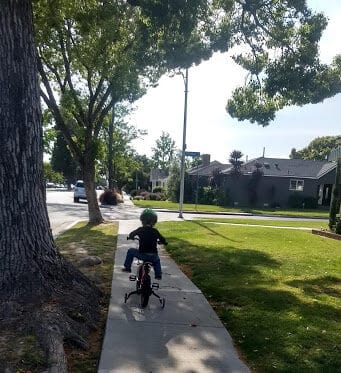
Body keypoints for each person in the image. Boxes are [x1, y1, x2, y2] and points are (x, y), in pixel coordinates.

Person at [122, 208, 167, 280]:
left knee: (130, 251)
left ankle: (127, 268)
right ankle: (158, 275)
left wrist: (131, 237)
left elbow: (131, 234)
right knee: (157, 260)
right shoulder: (155, 231)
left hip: (142, 254)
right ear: (154, 222)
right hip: (153, 256)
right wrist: (163, 242)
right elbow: (163, 239)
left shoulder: (140, 229)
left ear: (142, 221)